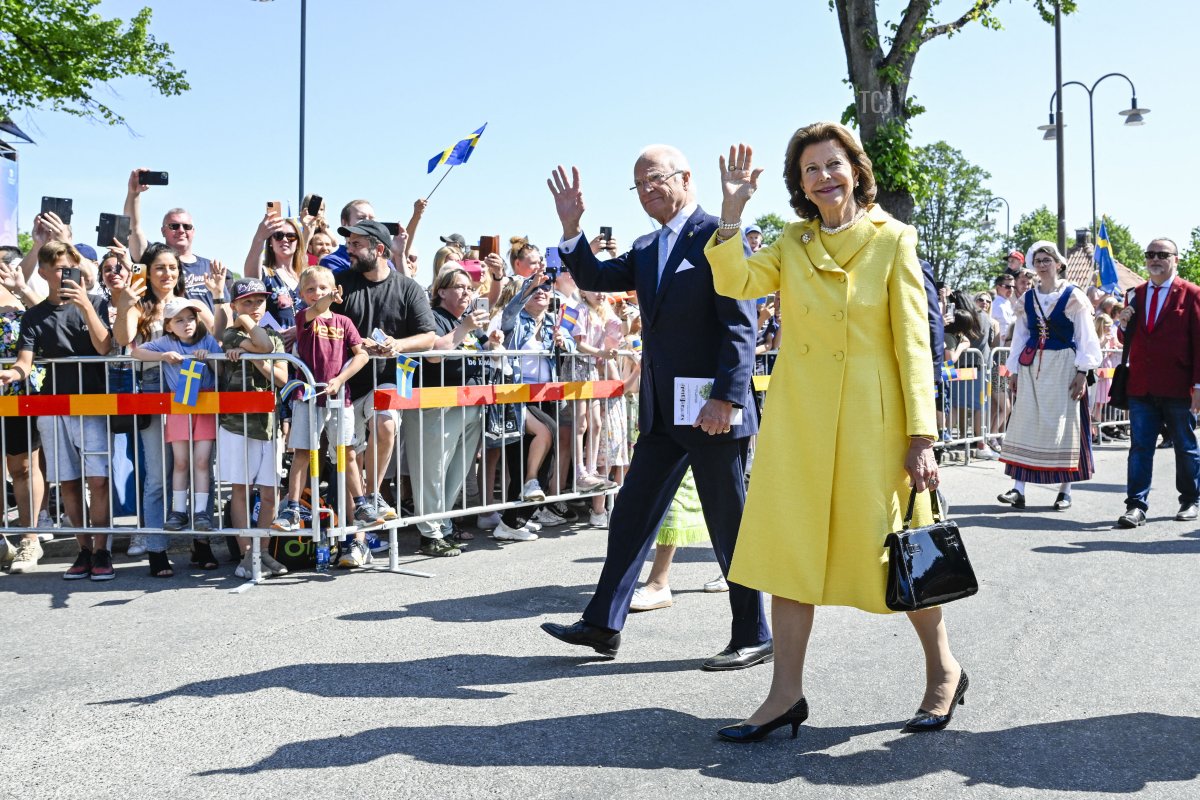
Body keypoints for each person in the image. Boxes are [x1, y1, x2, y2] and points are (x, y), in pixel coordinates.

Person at [704, 127, 960, 740]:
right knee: (790, 554)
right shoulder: (793, 242)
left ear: (855, 170)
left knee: (898, 551)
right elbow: (734, 281)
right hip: (801, 425)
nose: (824, 177)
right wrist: (733, 211)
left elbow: (914, 345)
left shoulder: (894, 239)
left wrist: (922, 434)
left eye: (833, 165)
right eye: (811, 169)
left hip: (877, 430)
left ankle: (943, 670)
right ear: (800, 184)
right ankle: (784, 695)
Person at [541, 143, 771, 672]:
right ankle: (602, 623)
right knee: (632, 514)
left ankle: (753, 632)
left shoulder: (721, 234)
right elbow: (596, 278)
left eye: (656, 180)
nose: (647, 191)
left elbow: (741, 324)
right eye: (638, 184)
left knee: (728, 523)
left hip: (713, 412)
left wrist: (725, 397)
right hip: (666, 413)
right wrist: (572, 229)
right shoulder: (646, 248)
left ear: (686, 178)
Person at [0, 242, 116, 581]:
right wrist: (12, 373)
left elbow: (104, 345)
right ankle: (83, 550)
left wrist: (85, 306)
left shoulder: (94, 302)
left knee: (99, 479)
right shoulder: (34, 316)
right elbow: (25, 361)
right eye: (61, 269)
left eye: (72, 268)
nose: (68, 275)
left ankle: (102, 549)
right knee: (67, 482)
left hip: (93, 402)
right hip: (52, 405)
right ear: (45, 272)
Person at [332, 219, 437, 524]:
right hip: (347, 380)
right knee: (348, 455)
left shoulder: (407, 287)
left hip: (388, 378)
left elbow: (428, 337)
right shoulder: (340, 282)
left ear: (378, 249)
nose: (348, 249)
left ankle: (373, 495)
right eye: (348, 243)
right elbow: (319, 320)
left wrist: (397, 345)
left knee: (386, 424)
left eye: (355, 244)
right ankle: (355, 537)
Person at [273, 265, 378, 567]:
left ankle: (360, 503)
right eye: (311, 289)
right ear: (302, 294)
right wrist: (326, 299)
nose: (317, 294)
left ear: (334, 290)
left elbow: (360, 354)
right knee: (303, 452)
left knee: (345, 452)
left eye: (323, 288)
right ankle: (292, 507)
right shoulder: (304, 318)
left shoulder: (344, 322)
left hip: (338, 396)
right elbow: (318, 308)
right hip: (307, 396)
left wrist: (342, 378)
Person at [996, 241, 1101, 511]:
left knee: (1064, 425)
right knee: (1025, 421)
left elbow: (1085, 335)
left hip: (1064, 363)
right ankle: (1018, 489)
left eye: (1047, 260)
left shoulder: (1073, 294)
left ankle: (1065, 491)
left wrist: (1082, 371)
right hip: (1033, 365)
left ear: (1058, 263)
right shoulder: (1027, 298)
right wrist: (1014, 369)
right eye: (1039, 260)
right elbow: (1020, 336)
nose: (1043, 264)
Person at [1113, 238, 1200, 528]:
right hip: (1141, 385)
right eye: (1150, 254)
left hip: (1178, 385)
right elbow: (1128, 340)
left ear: (1175, 259)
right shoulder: (1135, 294)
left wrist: (1198, 386)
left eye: (1162, 254)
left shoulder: (1191, 294)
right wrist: (1123, 326)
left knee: (1185, 447)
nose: (1155, 259)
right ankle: (1136, 506)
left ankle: (1190, 499)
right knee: (1140, 447)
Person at [403, 267, 489, 557]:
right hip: (435, 404)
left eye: (470, 288)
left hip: (467, 403)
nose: (467, 292)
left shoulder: (465, 321)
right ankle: (429, 535)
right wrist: (464, 328)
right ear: (441, 291)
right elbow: (435, 354)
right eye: (460, 287)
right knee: (432, 471)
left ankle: (442, 525)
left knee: (456, 472)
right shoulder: (433, 317)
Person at [216, 278, 291, 579]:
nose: (255, 307)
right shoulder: (231, 334)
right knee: (240, 490)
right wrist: (246, 322)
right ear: (234, 305)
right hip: (237, 424)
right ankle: (247, 553)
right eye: (247, 302)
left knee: (270, 493)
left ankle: (262, 553)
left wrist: (261, 362)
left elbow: (283, 378)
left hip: (269, 425)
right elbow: (261, 345)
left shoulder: (275, 335)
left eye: (259, 301)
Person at [132, 298, 222, 535]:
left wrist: (210, 358)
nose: (187, 323)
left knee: (202, 461)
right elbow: (137, 353)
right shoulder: (164, 343)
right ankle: (178, 511)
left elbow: (222, 369)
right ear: (169, 325)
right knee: (180, 461)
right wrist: (163, 356)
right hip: (179, 405)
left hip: (205, 404)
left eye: (191, 318)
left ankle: (201, 512)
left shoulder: (207, 340)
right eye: (179, 320)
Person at [0, 254, 45, 574]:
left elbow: (53, 320)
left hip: (20, 395)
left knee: (24, 466)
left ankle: (30, 538)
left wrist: (21, 290)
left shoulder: (24, 298)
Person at [242, 213, 304, 331]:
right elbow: (250, 277)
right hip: (273, 345)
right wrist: (259, 238)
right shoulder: (266, 273)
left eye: (291, 236)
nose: (285, 240)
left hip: (304, 344)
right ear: (270, 242)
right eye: (278, 235)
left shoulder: (306, 276)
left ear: (298, 242)